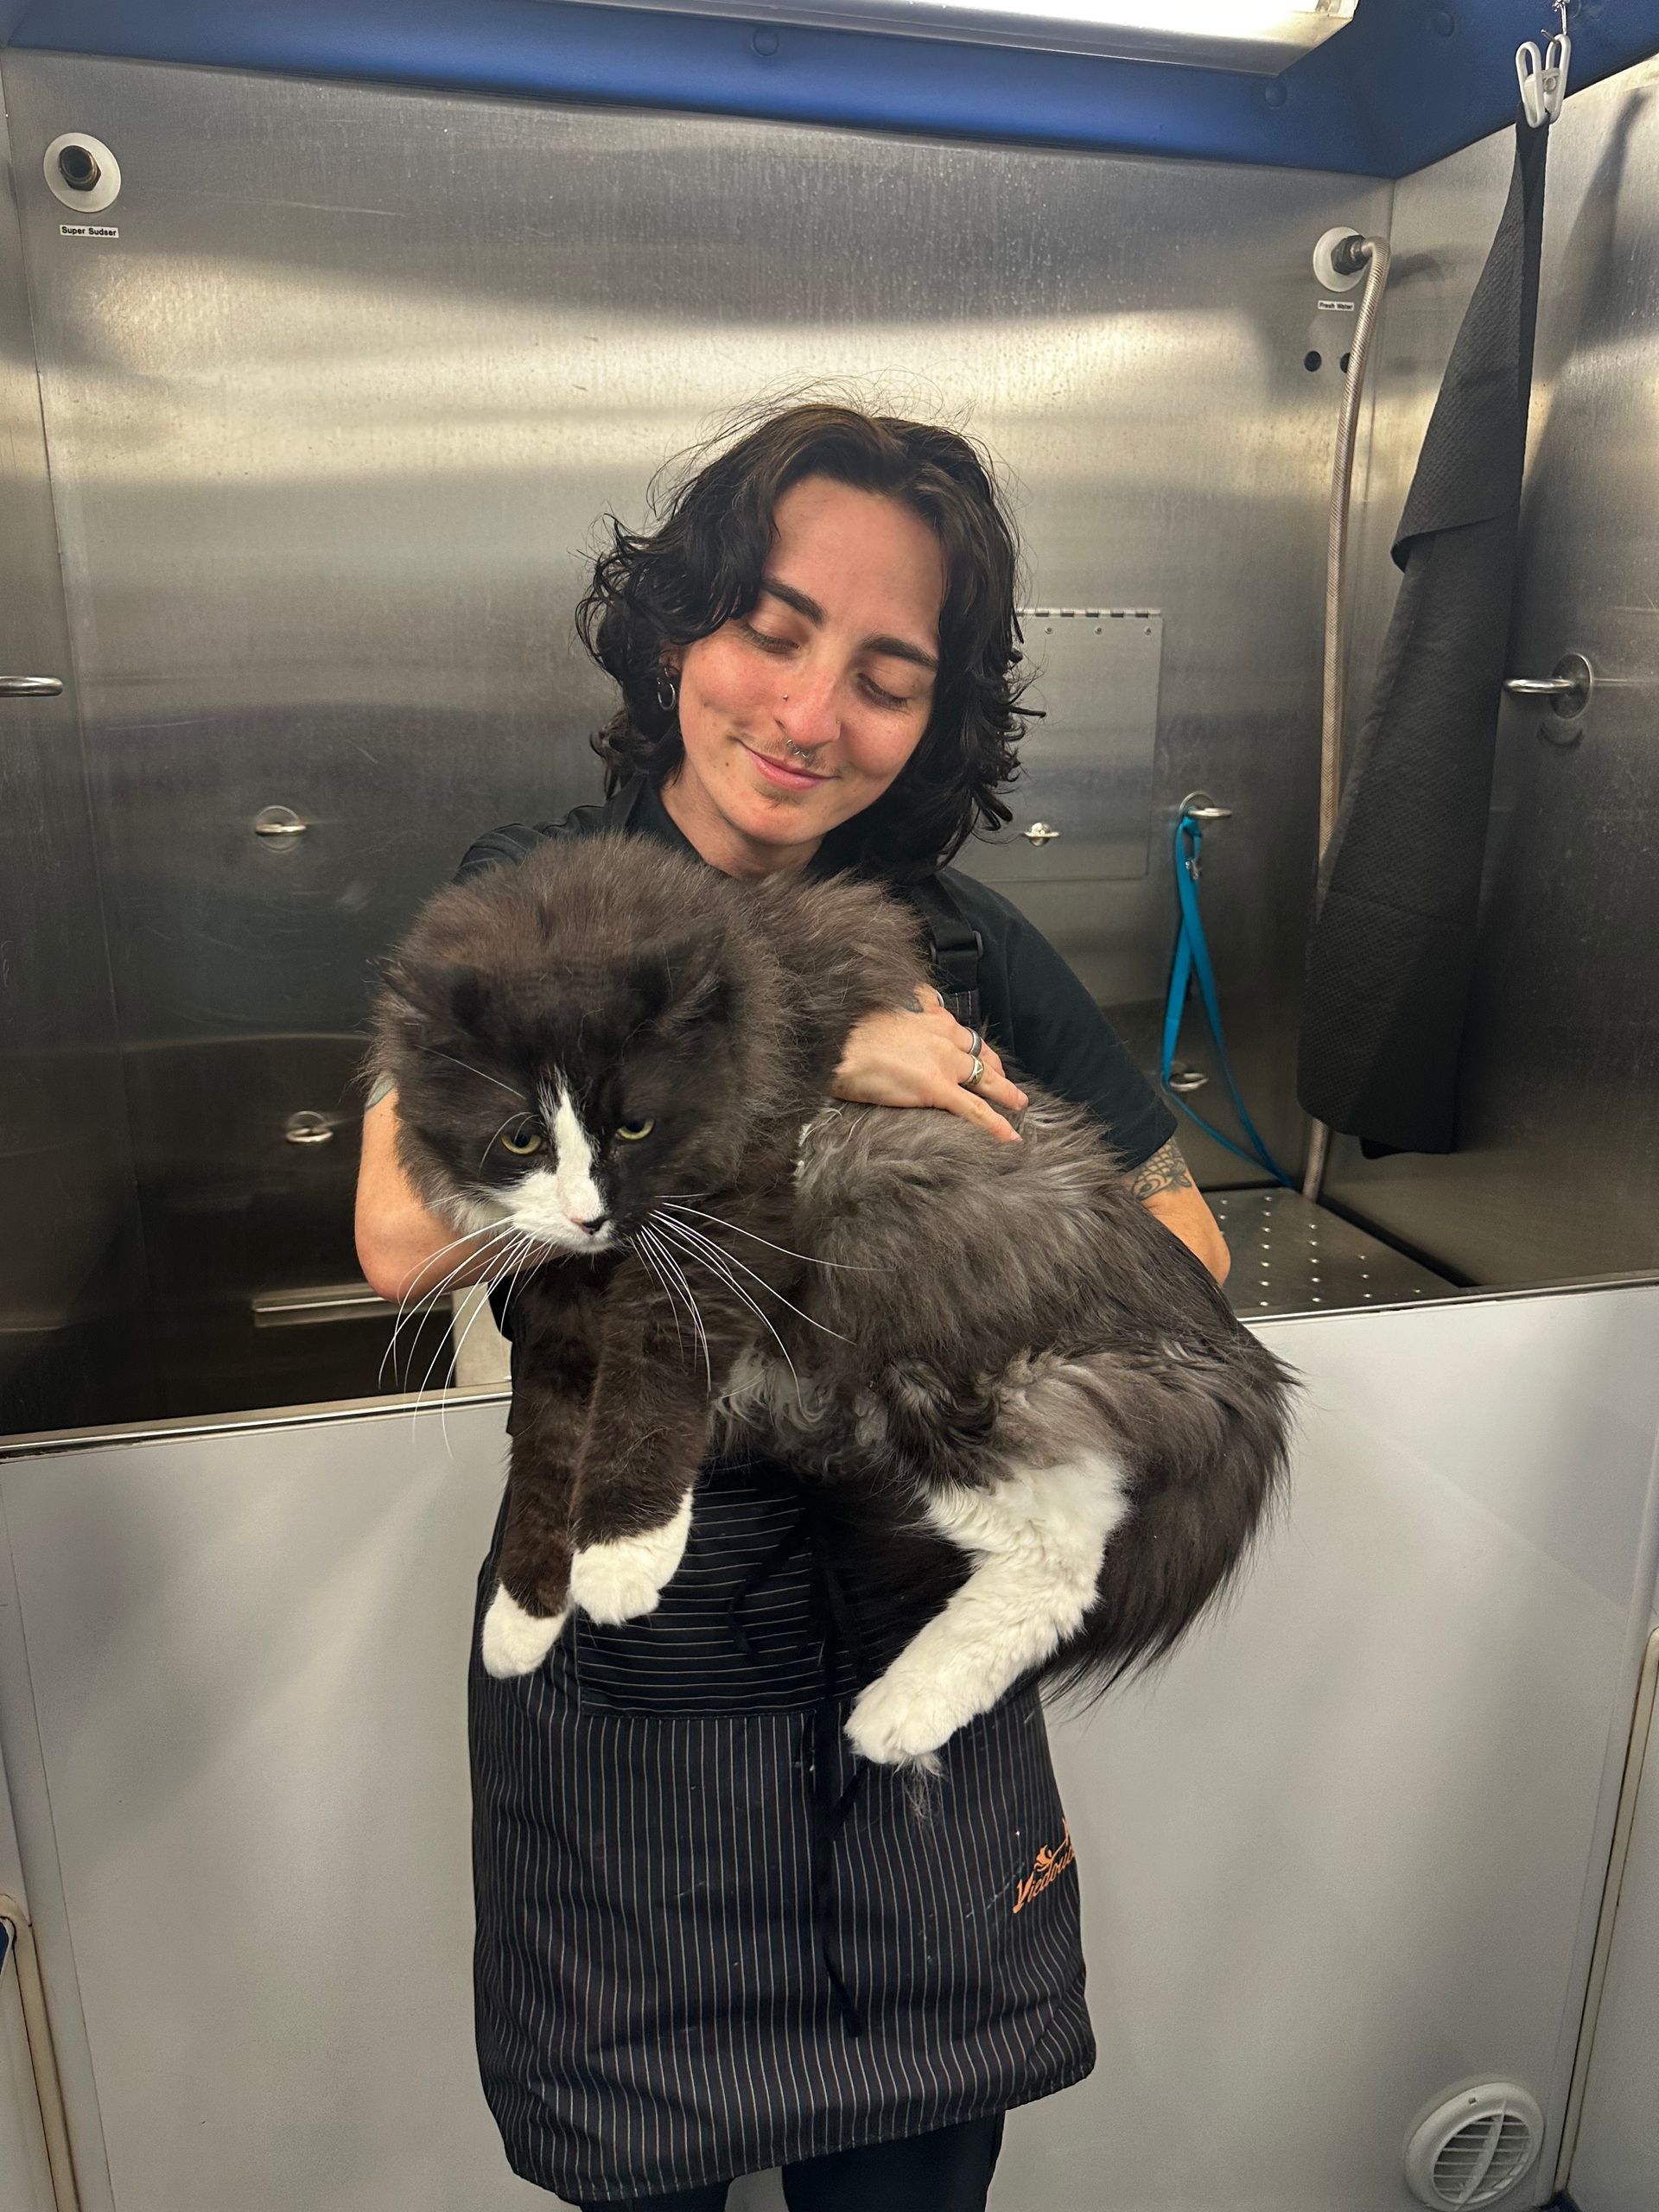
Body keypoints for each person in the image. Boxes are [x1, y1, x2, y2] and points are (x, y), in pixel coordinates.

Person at [355, 404, 1227, 2212]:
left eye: (888, 678)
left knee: (913, 2168)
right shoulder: (538, 905)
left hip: (900, 1594)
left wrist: (971, 1181)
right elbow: (394, 1237)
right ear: (680, 627)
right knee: (640, 2153)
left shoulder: (964, 945)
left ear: (935, 719)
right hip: (634, 1607)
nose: (812, 712)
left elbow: (1189, 1263)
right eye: (773, 628)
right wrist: (811, 1064)